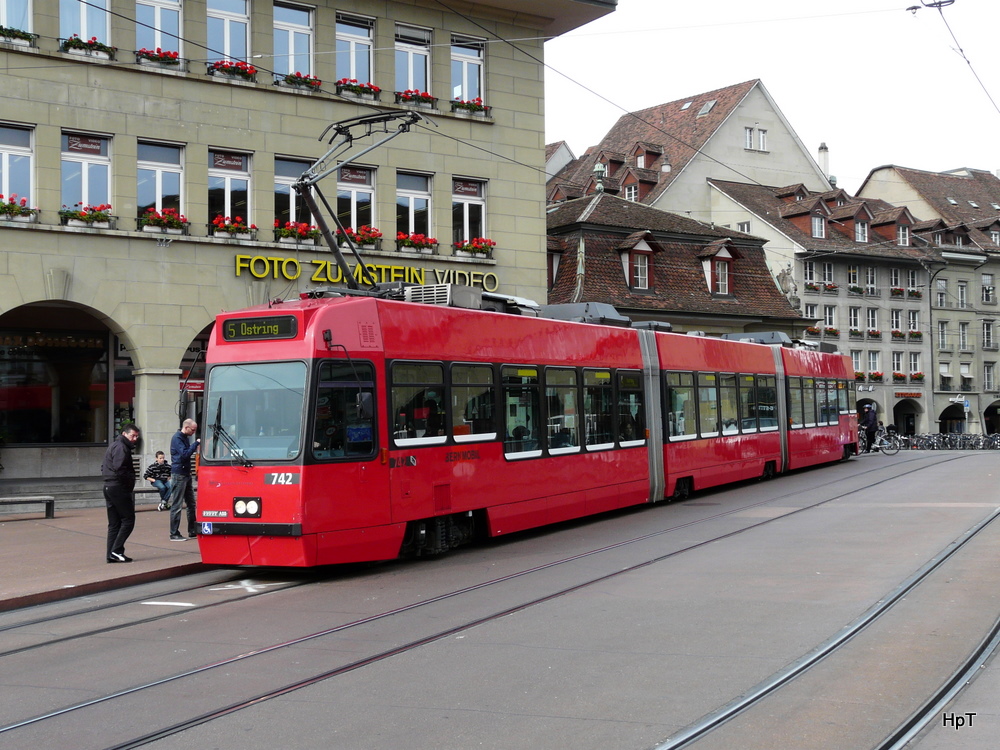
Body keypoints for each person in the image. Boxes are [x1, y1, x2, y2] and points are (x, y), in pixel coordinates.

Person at [101, 424, 141, 563]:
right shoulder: (121, 447)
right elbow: (120, 468)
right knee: (128, 519)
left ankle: (111, 554)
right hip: (118, 487)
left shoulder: (114, 445)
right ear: (124, 434)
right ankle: (116, 551)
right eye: (132, 436)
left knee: (114, 523)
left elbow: (104, 466)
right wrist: (128, 483)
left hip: (109, 486)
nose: (135, 438)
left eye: (136, 436)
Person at [168, 419, 200, 541]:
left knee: (191, 503)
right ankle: (174, 533)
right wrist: (196, 444)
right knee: (177, 504)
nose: (193, 432)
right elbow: (185, 454)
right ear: (186, 427)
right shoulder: (177, 438)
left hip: (185, 473)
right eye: (193, 430)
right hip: (179, 474)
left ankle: (192, 530)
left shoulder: (184, 437)